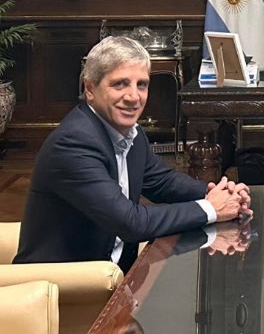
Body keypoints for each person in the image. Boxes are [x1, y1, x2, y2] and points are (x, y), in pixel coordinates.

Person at [14, 36, 251, 273]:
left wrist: (219, 194)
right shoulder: (74, 143)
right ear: (90, 89)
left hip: (116, 275)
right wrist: (211, 208)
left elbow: (162, 182)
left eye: (142, 85)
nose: (133, 97)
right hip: (62, 285)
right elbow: (131, 223)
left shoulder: (130, 133)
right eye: (120, 84)